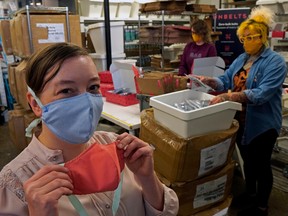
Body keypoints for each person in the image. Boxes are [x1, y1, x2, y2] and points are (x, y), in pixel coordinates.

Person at [0, 42, 179, 216]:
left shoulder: (119, 148)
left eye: (93, 87)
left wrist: (148, 178)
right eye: (67, 90)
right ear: (35, 104)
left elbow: (168, 211)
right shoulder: (14, 185)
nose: (86, 102)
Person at [194, 6, 287, 216]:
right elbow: (226, 79)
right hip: (240, 120)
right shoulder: (242, 58)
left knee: (262, 166)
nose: (246, 42)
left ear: (262, 36)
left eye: (251, 37)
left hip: (262, 124)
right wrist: (211, 81)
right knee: (249, 162)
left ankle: (262, 207)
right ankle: (251, 194)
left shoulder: (276, 63)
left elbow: (261, 94)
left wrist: (230, 96)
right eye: (243, 38)